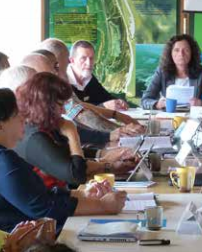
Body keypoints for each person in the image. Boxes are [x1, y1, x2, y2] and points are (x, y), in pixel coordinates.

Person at [0, 88, 127, 233]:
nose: (23, 119)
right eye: (17, 115)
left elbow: (39, 193)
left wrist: (82, 194)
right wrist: (102, 206)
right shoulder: (6, 159)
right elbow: (44, 208)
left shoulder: (7, 155)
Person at [14, 73, 136, 188]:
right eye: (60, 106)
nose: (64, 111)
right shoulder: (35, 137)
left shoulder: (42, 124)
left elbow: (67, 153)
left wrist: (108, 162)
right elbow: (77, 175)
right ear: (45, 106)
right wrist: (73, 134)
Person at [40, 39, 143, 138]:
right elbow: (81, 115)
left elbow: (80, 105)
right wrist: (120, 130)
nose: (67, 68)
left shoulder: (44, 81)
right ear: (55, 66)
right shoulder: (52, 86)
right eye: (66, 64)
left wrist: (116, 115)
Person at [141, 34, 202, 109]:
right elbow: (145, 100)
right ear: (170, 53)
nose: (181, 54)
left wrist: (201, 103)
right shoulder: (162, 71)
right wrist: (157, 104)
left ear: (192, 53)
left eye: (186, 50)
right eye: (176, 50)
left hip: (193, 119)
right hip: (168, 118)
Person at [68, 40, 128, 110]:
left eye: (91, 58)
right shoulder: (62, 80)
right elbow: (72, 110)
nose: (89, 63)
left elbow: (106, 97)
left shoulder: (90, 78)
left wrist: (119, 102)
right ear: (72, 60)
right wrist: (103, 106)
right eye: (83, 58)